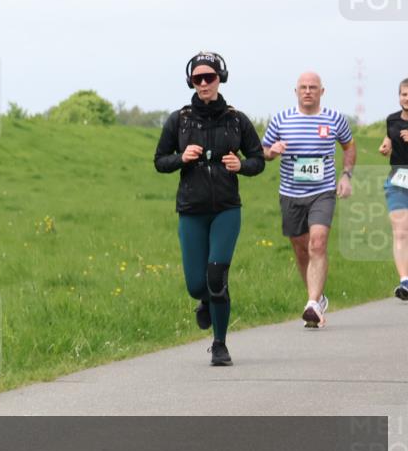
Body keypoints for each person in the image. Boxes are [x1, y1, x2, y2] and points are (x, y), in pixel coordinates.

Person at [154, 51, 265, 366]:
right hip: (191, 209)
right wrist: (181, 157)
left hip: (226, 210)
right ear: (190, 81)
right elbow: (159, 161)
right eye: (197, 78)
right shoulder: (180, 119)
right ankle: (204, 300)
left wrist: (241, 165)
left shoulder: (236, 119)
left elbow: (258, 160)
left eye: (209, 77)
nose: (203, 83)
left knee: (217, 276)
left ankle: (219, 344)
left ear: (220, 79)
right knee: (196, 285)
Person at [262, 72, 356, 327]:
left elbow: (349, 147)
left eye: (313, 87)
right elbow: (264, 151)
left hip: (322, 192)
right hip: (290, 194)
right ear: (296, 91)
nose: (307, 91)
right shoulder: (281, 119)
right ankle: (316, 298)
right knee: (301, 248)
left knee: (317, 244)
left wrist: (346, 176)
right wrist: (272, 151)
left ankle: (312, 303)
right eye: (303, 87)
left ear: (321, 91)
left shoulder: (335, 119)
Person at [379, 77, 408, 301]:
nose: (406, 98)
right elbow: (389, 138)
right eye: (403, 94)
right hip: (398, 179)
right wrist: (385, 145)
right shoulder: (391, 119)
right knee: (400, 230)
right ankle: (405, 282)